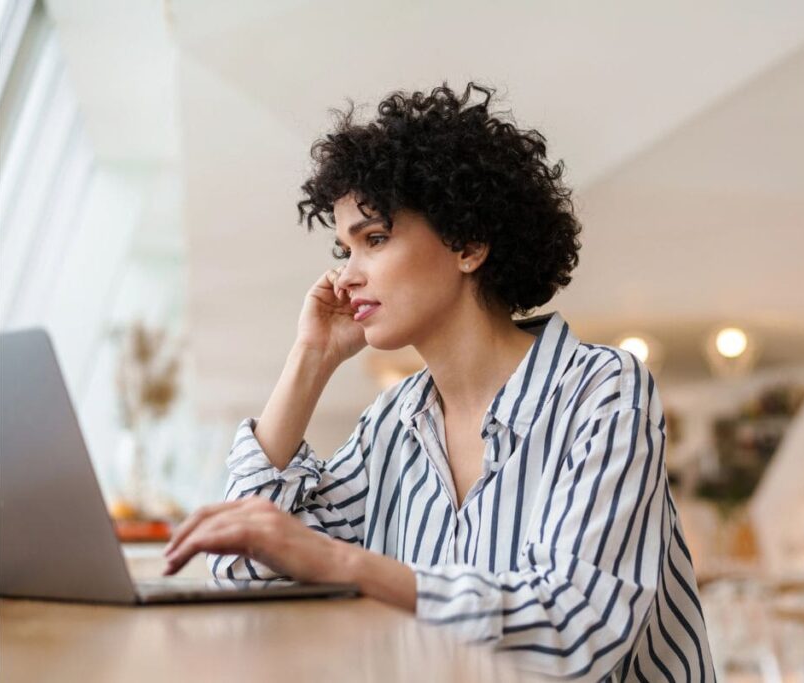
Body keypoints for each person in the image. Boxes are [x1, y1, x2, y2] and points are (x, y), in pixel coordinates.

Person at [162, 82, 714, 682]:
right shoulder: (392, 424)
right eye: (343, 248)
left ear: (468, 244)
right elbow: (246, 566)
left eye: (374, 239)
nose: (345, 277)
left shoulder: (602, 390)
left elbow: (574, 629)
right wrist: (310, 359)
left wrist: (348, 565)